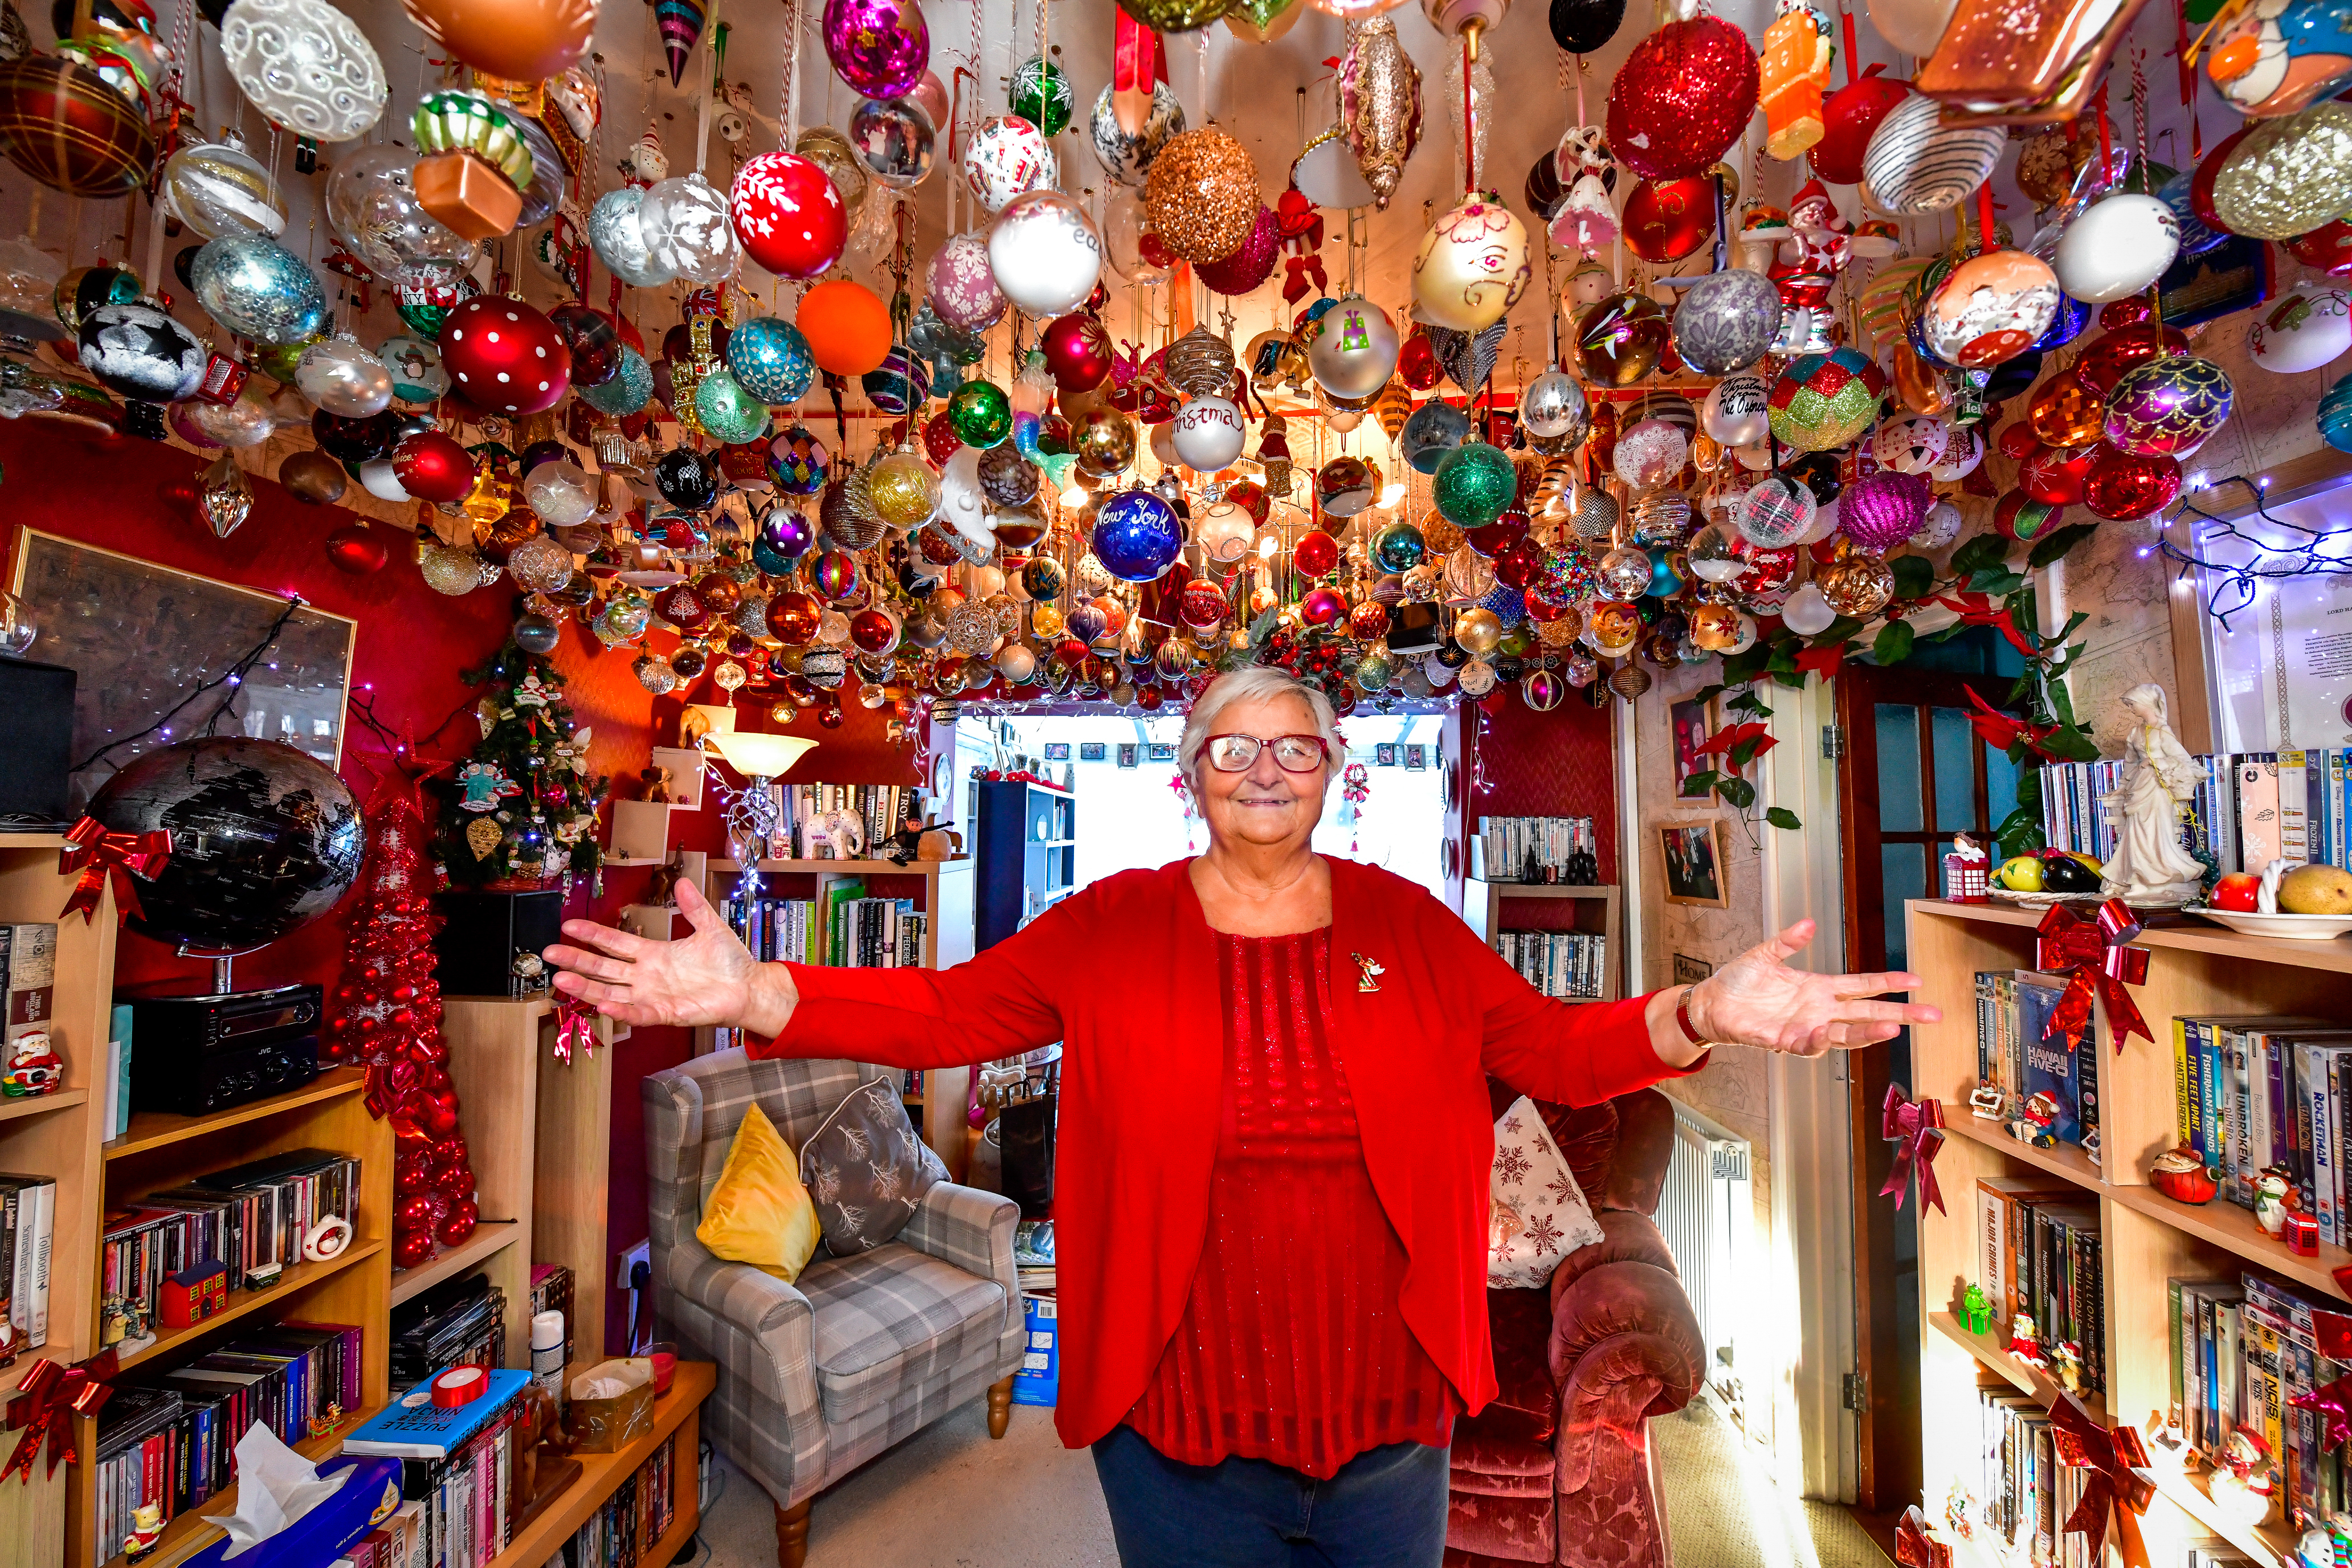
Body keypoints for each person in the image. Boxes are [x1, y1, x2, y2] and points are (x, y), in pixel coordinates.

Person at [543, 667, 1937, 1568]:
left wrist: (1700, 1014)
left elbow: (1566, 1054)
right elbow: (946, 1014)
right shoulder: (1109, 925)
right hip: (1176, 1417)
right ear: (1188, 773)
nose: (1265, 768)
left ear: (1337, 770)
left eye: (1296, 747)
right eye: (1232, 746)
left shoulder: (1416, 927)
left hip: (1392, 1414)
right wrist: (758, 987)